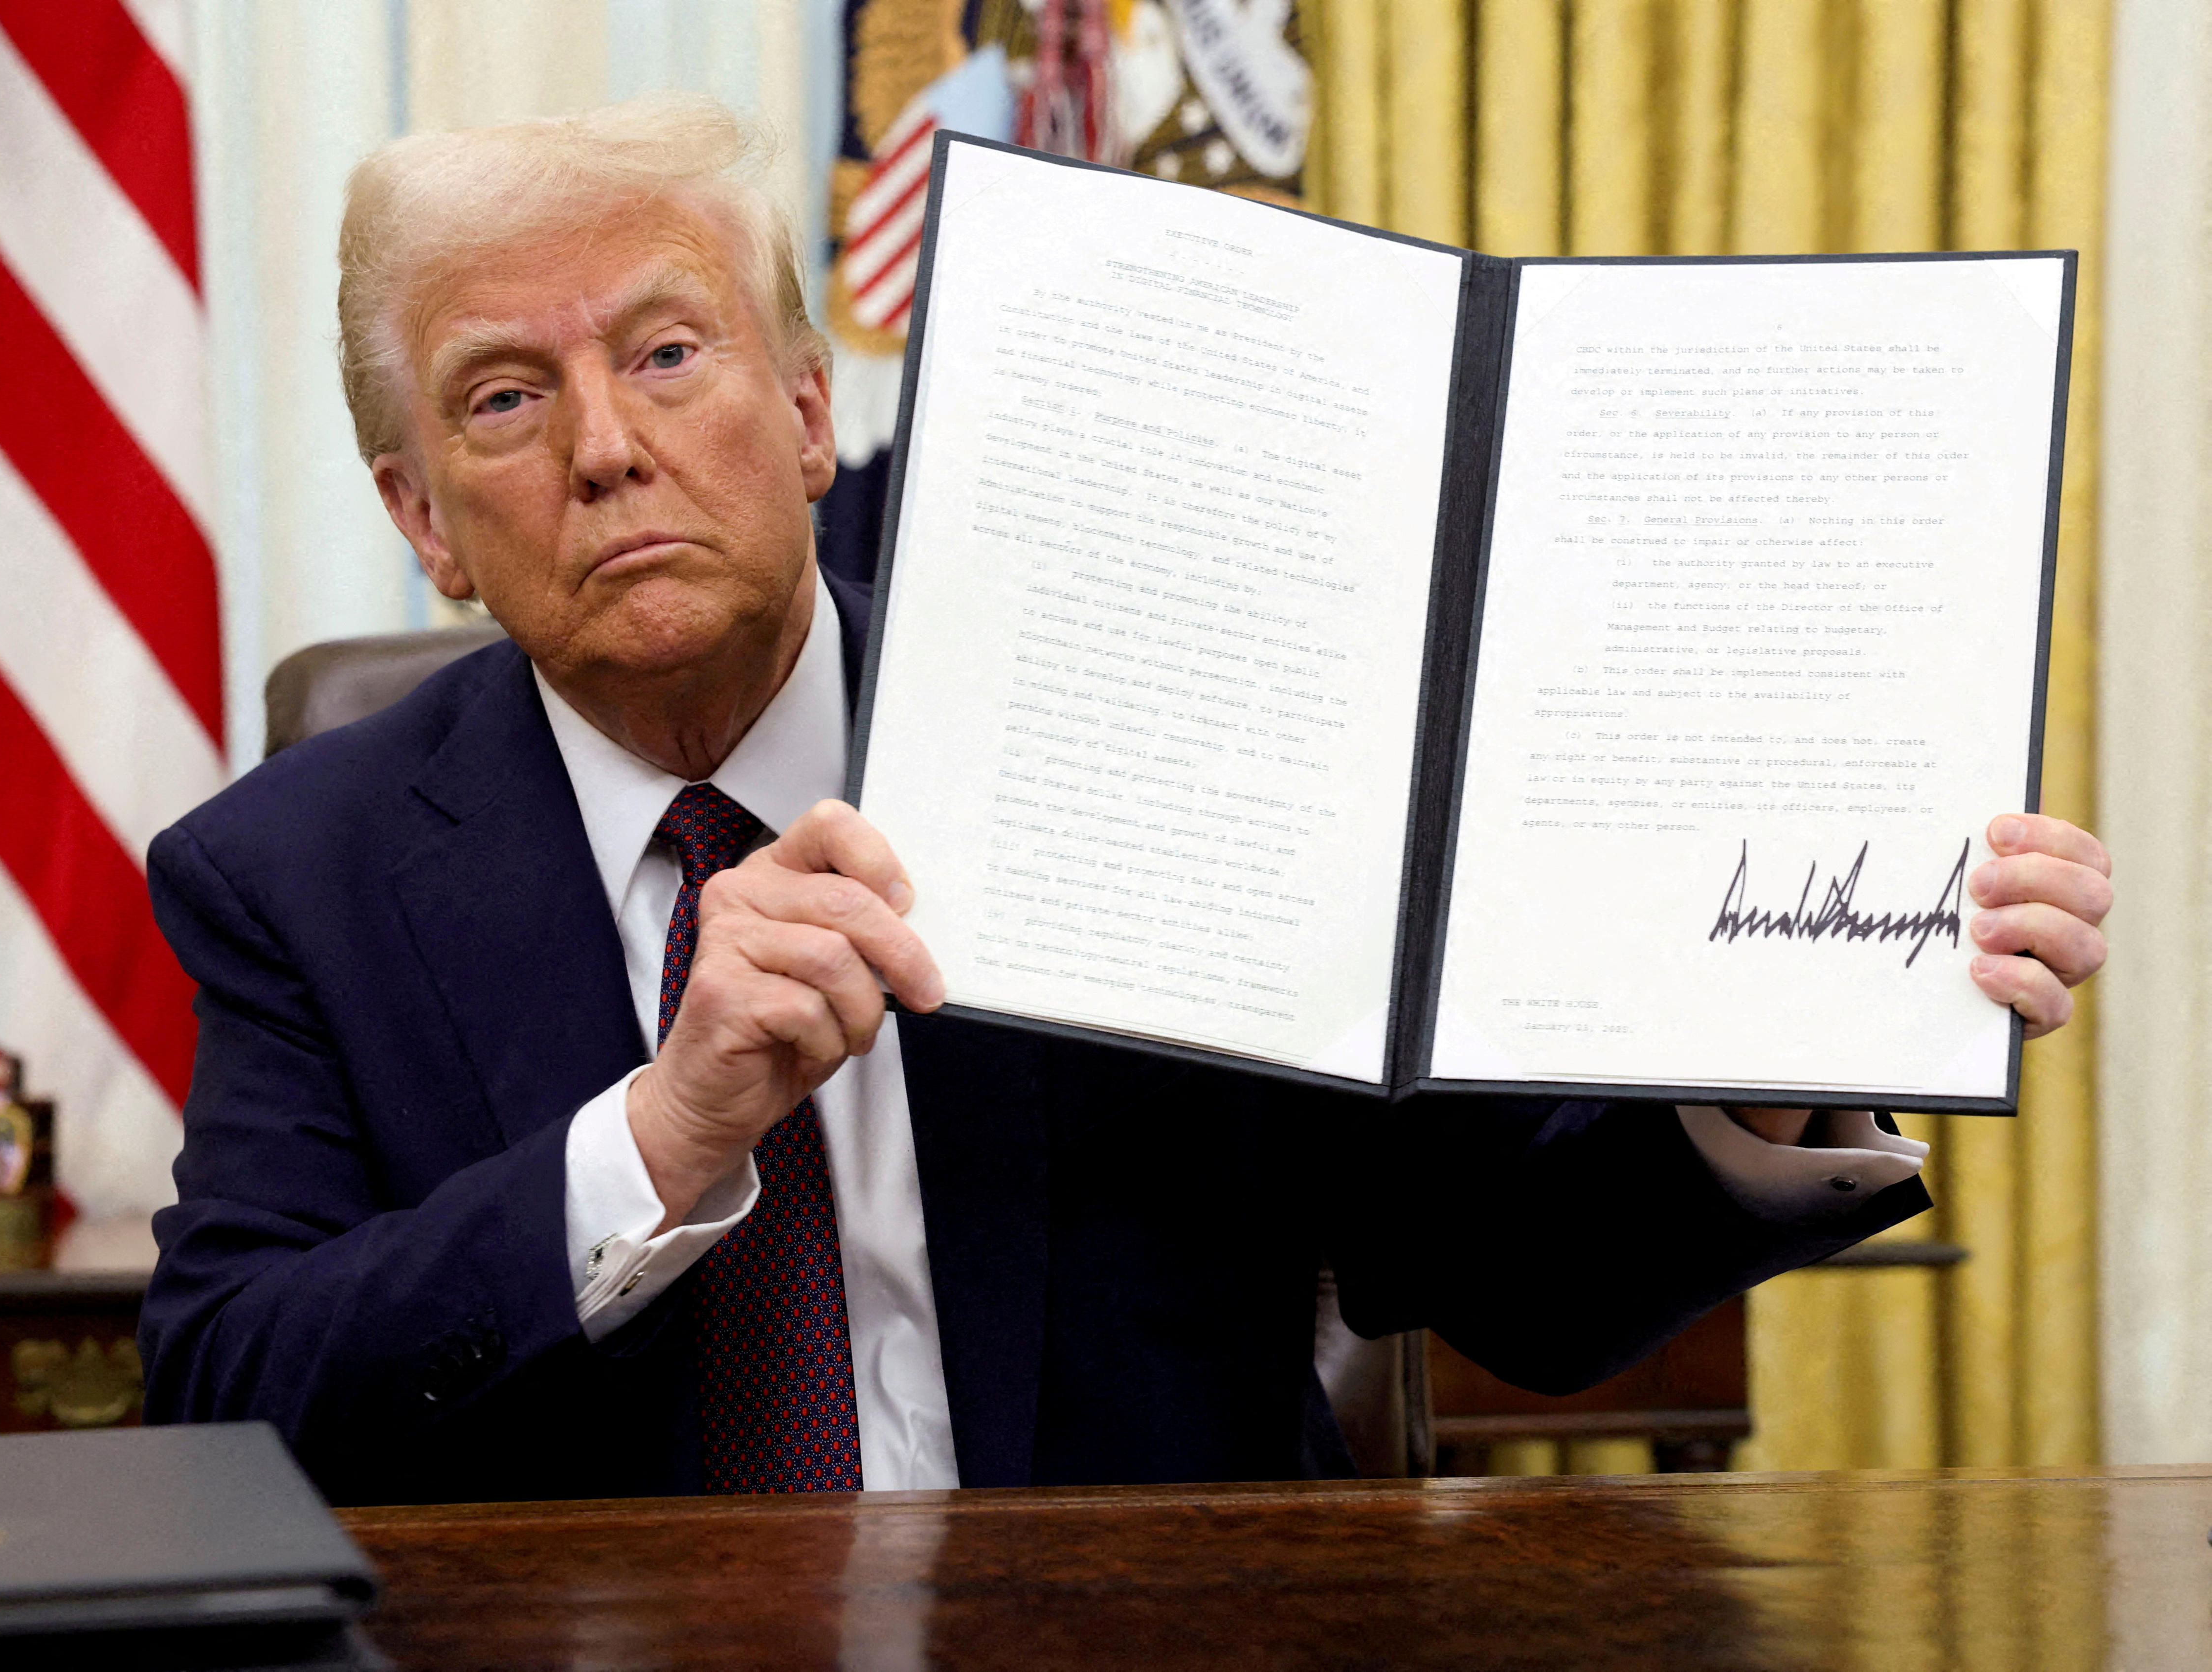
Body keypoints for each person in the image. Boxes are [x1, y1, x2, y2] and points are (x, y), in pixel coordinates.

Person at [138, 99, 2114, 1505]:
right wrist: (660, 1137)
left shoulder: (1134, 719)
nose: (604, 447)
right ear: (422, 526)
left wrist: (1790, 1029)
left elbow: (1511, 1277)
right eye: (501, 397)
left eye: (669, 352)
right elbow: (228, 1393)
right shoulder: (291, 874)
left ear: (809, 411)